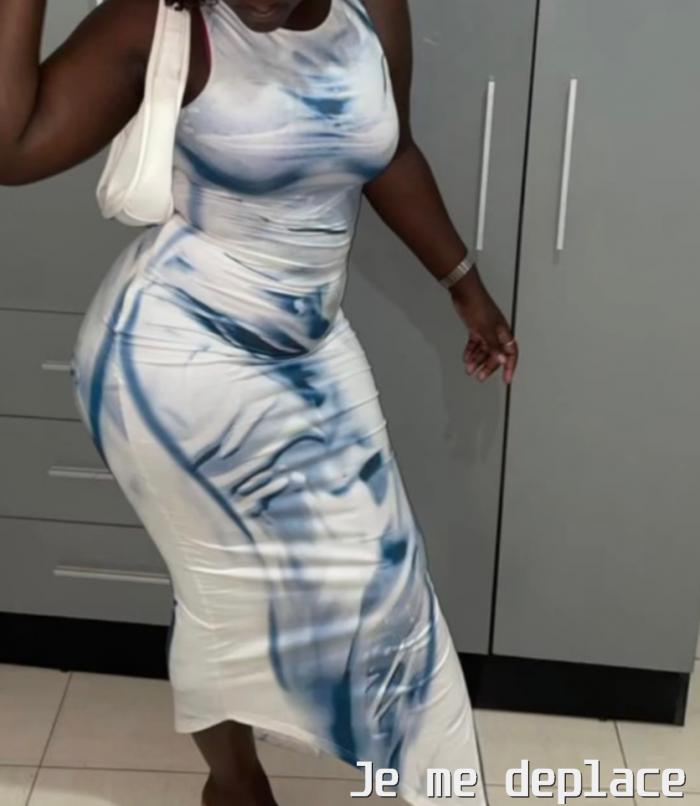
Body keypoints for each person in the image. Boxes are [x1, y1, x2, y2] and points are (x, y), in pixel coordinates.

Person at [0, 1, 519, 804]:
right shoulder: (159, 22)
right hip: (173, 367)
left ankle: (441, 788)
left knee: (390, 581)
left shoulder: (373, 10)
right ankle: (236, 785)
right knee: (219, 593)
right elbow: (13, 148)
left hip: (310, 350)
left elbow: (389, 150)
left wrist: (465, 287)